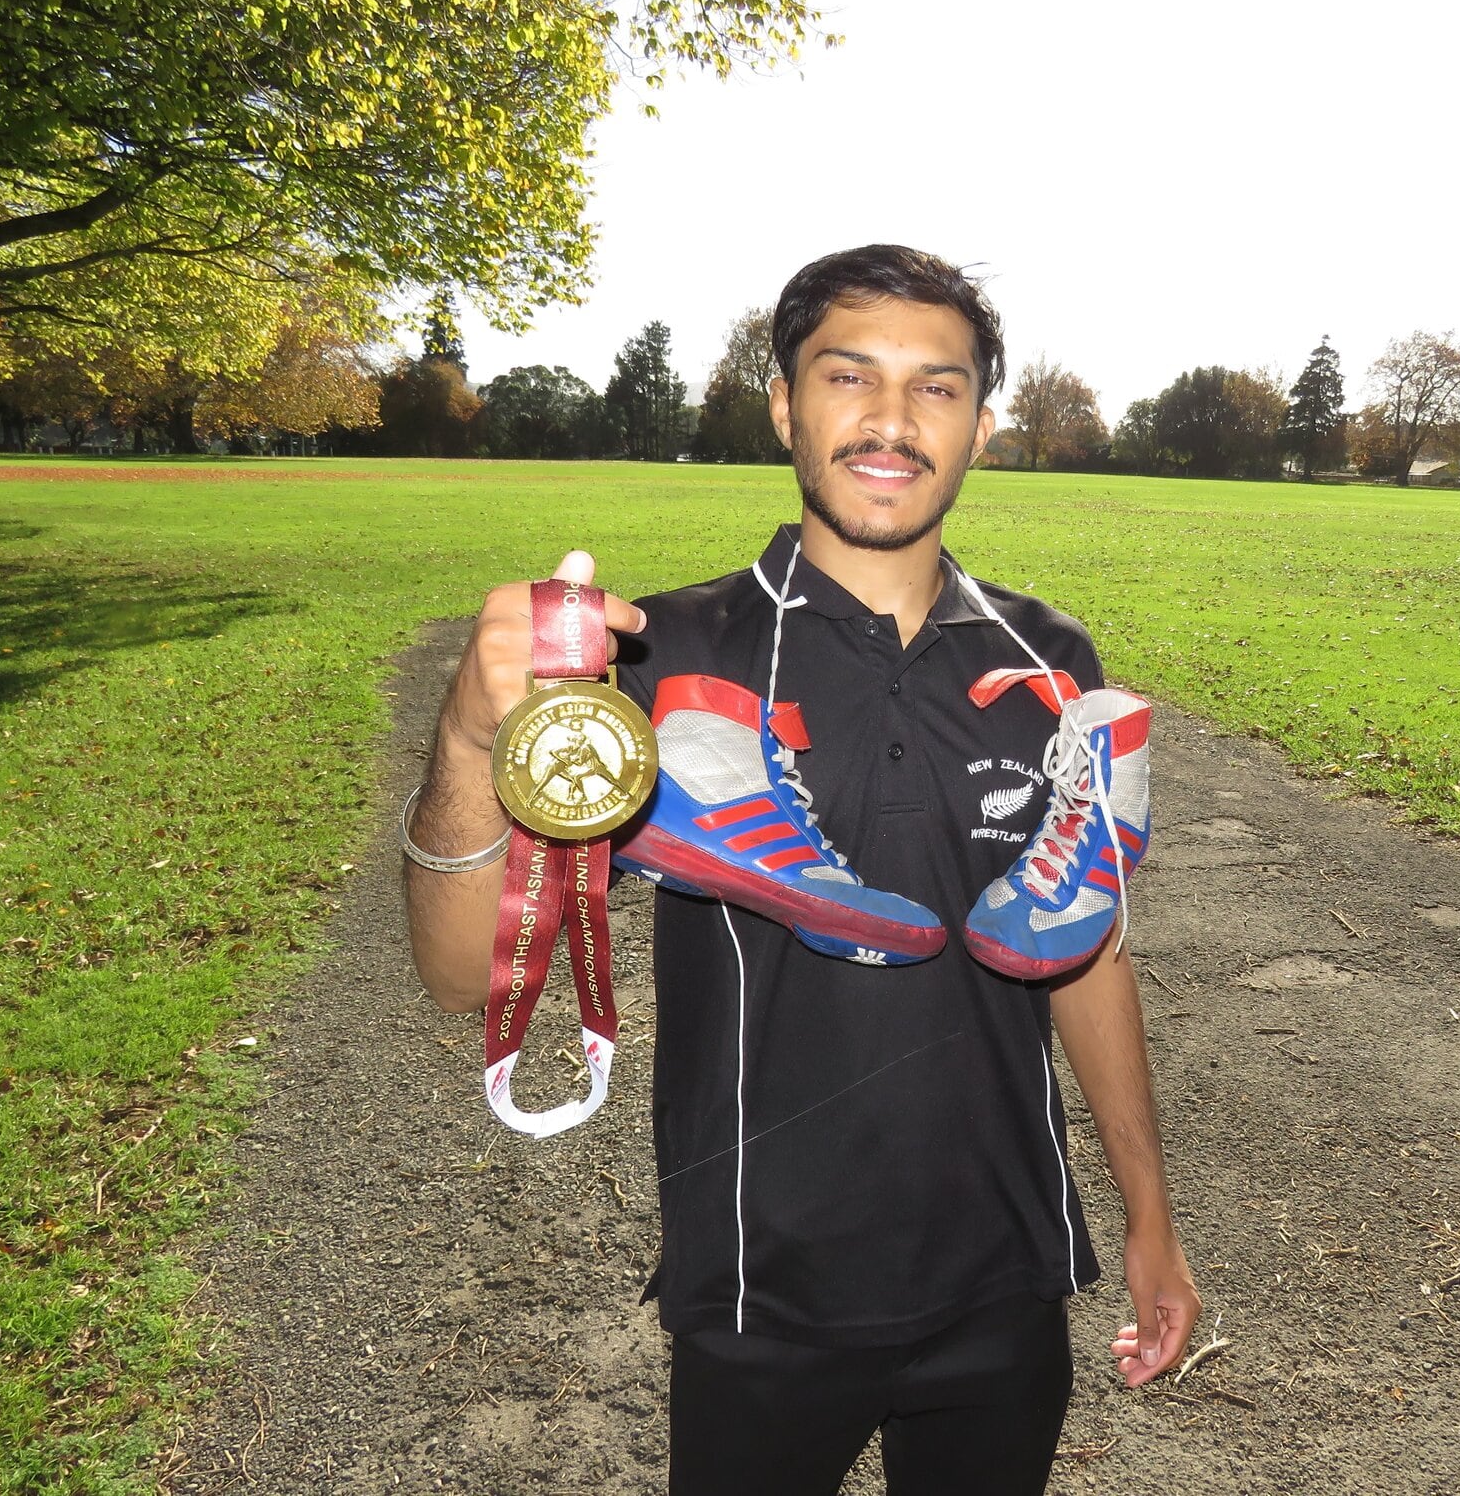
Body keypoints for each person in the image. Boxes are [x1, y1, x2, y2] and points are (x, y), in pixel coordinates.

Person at [402, 244, 1198, 1496]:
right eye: (848, 377)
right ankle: (733, 794)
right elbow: (462, 975)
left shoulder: (1045, 656)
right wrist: (463, 737)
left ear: (982, 427)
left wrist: (1149, 1220)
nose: (890, 420)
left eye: (936, 388)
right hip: (758, 1290)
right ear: (783, 403)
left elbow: (1086, 954)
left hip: (1005, 1278)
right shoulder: (660, 654)